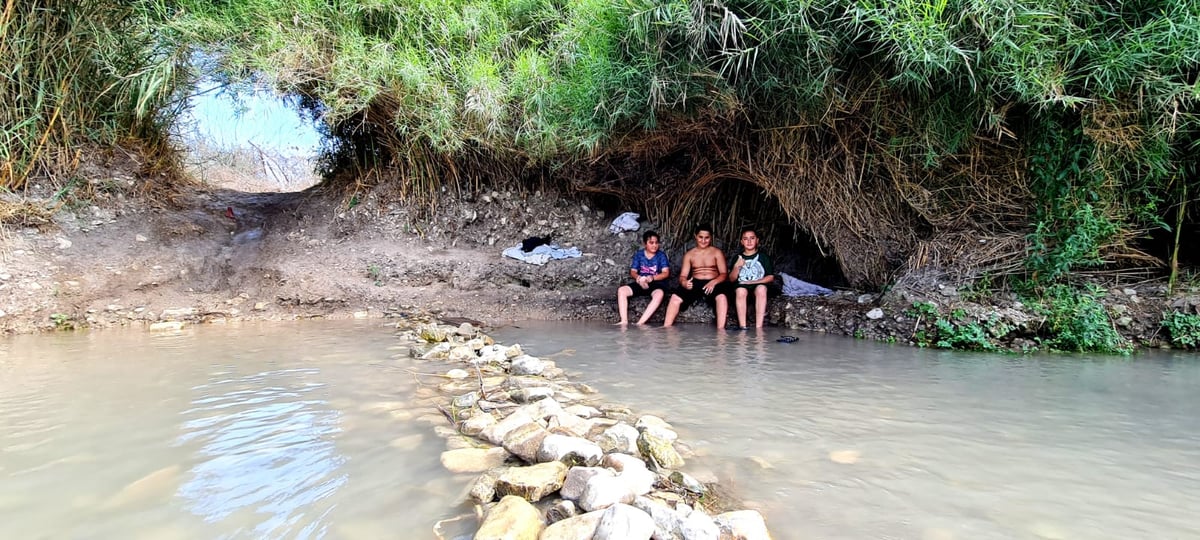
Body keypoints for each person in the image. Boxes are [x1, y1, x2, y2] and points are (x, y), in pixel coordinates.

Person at [663, 224, 729, 329]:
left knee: (722, 297)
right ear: (696, 236)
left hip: (713, 282)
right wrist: (684, 283)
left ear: (711, 238)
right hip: (695, 282)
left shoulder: (717, 253)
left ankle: (721, 330)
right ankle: (666, 328)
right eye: (700, 237)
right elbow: (683, 276)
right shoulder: (689, 254)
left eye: (706, 238)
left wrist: (714, 282)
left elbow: (724, 274)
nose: (703, 240)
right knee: (675, 298)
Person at [616, 230, 671, 325]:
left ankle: (640, 322)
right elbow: (633, 271)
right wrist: (638, 278)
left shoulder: (661, 256)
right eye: (651, 243)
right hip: (641, 282)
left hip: (656, 283)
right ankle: (624, 321)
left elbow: (666, 273)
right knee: (622, 290)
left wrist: (652, 278)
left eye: (656, 243)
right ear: (645, 244)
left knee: (659, 294)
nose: (654, 245)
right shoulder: (639, 255)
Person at [728, 226, 775, 328]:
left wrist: (752, 282)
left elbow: (770, 277)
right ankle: (743, 326)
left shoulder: (763, 257)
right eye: (745, 239)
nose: (749, 241)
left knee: (761, 289)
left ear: (757, 240)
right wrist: (737, 266)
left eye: (752, 238)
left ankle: (759, 327)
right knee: (741, 291)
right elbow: (731, 279)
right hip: (741, 285)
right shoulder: (737, 257)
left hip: (758, 284)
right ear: (741, 241)